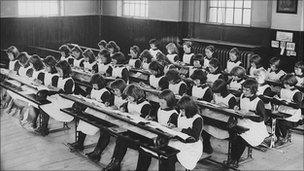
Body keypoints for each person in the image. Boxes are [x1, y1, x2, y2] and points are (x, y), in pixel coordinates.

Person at [103, 84, 151, 171]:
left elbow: (146, 122)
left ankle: (117, 163)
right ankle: (115, 163)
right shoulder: (129, 102)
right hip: (132, 130)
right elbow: (124, 106)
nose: (128, 99)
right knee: (121, 138)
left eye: (129, 97)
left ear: (135, 95)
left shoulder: (145, 105)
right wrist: (122, 109)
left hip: (142, 134)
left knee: (126, 141)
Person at [226, 79, 269, 167]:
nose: (244, 91)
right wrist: (237, 107)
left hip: (254, 126)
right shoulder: (242, 96)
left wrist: (248, 115)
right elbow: (240, 105)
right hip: (242, 121)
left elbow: (262, 118)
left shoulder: (258, 101)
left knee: (241, 139)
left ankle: (235, 160)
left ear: (253, 90)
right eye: (243, 89)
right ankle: (233, 157)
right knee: (233, 136)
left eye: (247, 90)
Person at [135, 89, 179, 171]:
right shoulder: (160, 109)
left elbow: (173, 131)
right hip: (158, 135)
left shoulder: (174, 114)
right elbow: (157, 121)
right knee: (143, 147)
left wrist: (171, 127)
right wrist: (151, 119)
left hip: (166, 140)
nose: (160, 104)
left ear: (169, 102)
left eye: (162, 103)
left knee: (152, 149)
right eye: (159, 102)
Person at [68, 74, 114, 151]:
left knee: (87, 124)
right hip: (91, 110)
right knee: (82, 122)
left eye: (95, 85)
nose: (93, 86)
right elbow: (92, 97)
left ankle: (80, 144)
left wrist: (96, 102)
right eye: (93, 85)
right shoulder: (94, 89)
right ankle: (79, 143)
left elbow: (106, 105)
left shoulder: (105, 92)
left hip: (99, 114)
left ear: (100, 84)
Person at [86, 79, 127, 161]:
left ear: (123, 89)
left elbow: (125, 109)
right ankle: (97, 152)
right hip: (114, 118)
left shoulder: (127, 98)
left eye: (116, 90)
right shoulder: (114, 95)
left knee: (109, 132)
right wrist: (108, 103)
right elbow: (110, 100)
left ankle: (111, 158)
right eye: (113, 90)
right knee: (104, 129)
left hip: (123, 123)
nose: (114, 92)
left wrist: (119, 109)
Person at [36, 60, 75, 136]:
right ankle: (44, 126)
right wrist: (49, 89)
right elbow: (56, 90)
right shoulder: (59, 78)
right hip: (59, 98)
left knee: (46, 105)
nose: (58, 73)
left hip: (67, 101)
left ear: (65, 71)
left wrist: (58, 90)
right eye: (57, 71)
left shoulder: (69, 80)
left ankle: (44, 127)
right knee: (42, 102)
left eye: (60, 71)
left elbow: (68, 94)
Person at [202, 79, 237, 155]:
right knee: (204, 121)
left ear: (223, 90)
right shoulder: (215, 94)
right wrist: (212, 103)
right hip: (215, 115)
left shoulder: (231, 98)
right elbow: (213, 102)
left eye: (217, 93)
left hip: (224, 118)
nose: (216, 94)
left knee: (207, 120)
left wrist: (226, 108)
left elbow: (233, 112)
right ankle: (206, 146)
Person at [275, 74, 303, 146]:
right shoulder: (283, 90)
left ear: (291, 83)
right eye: (284, 83)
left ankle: (285, 136)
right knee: (274, 121)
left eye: (286, 84)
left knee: (282, 122)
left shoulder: (297, 93)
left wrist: (287, 102)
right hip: (283, 110)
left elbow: (297, 106)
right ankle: (279, 137)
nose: (284, 85)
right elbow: (280, 97)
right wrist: (277, 98)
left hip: (293, 113)